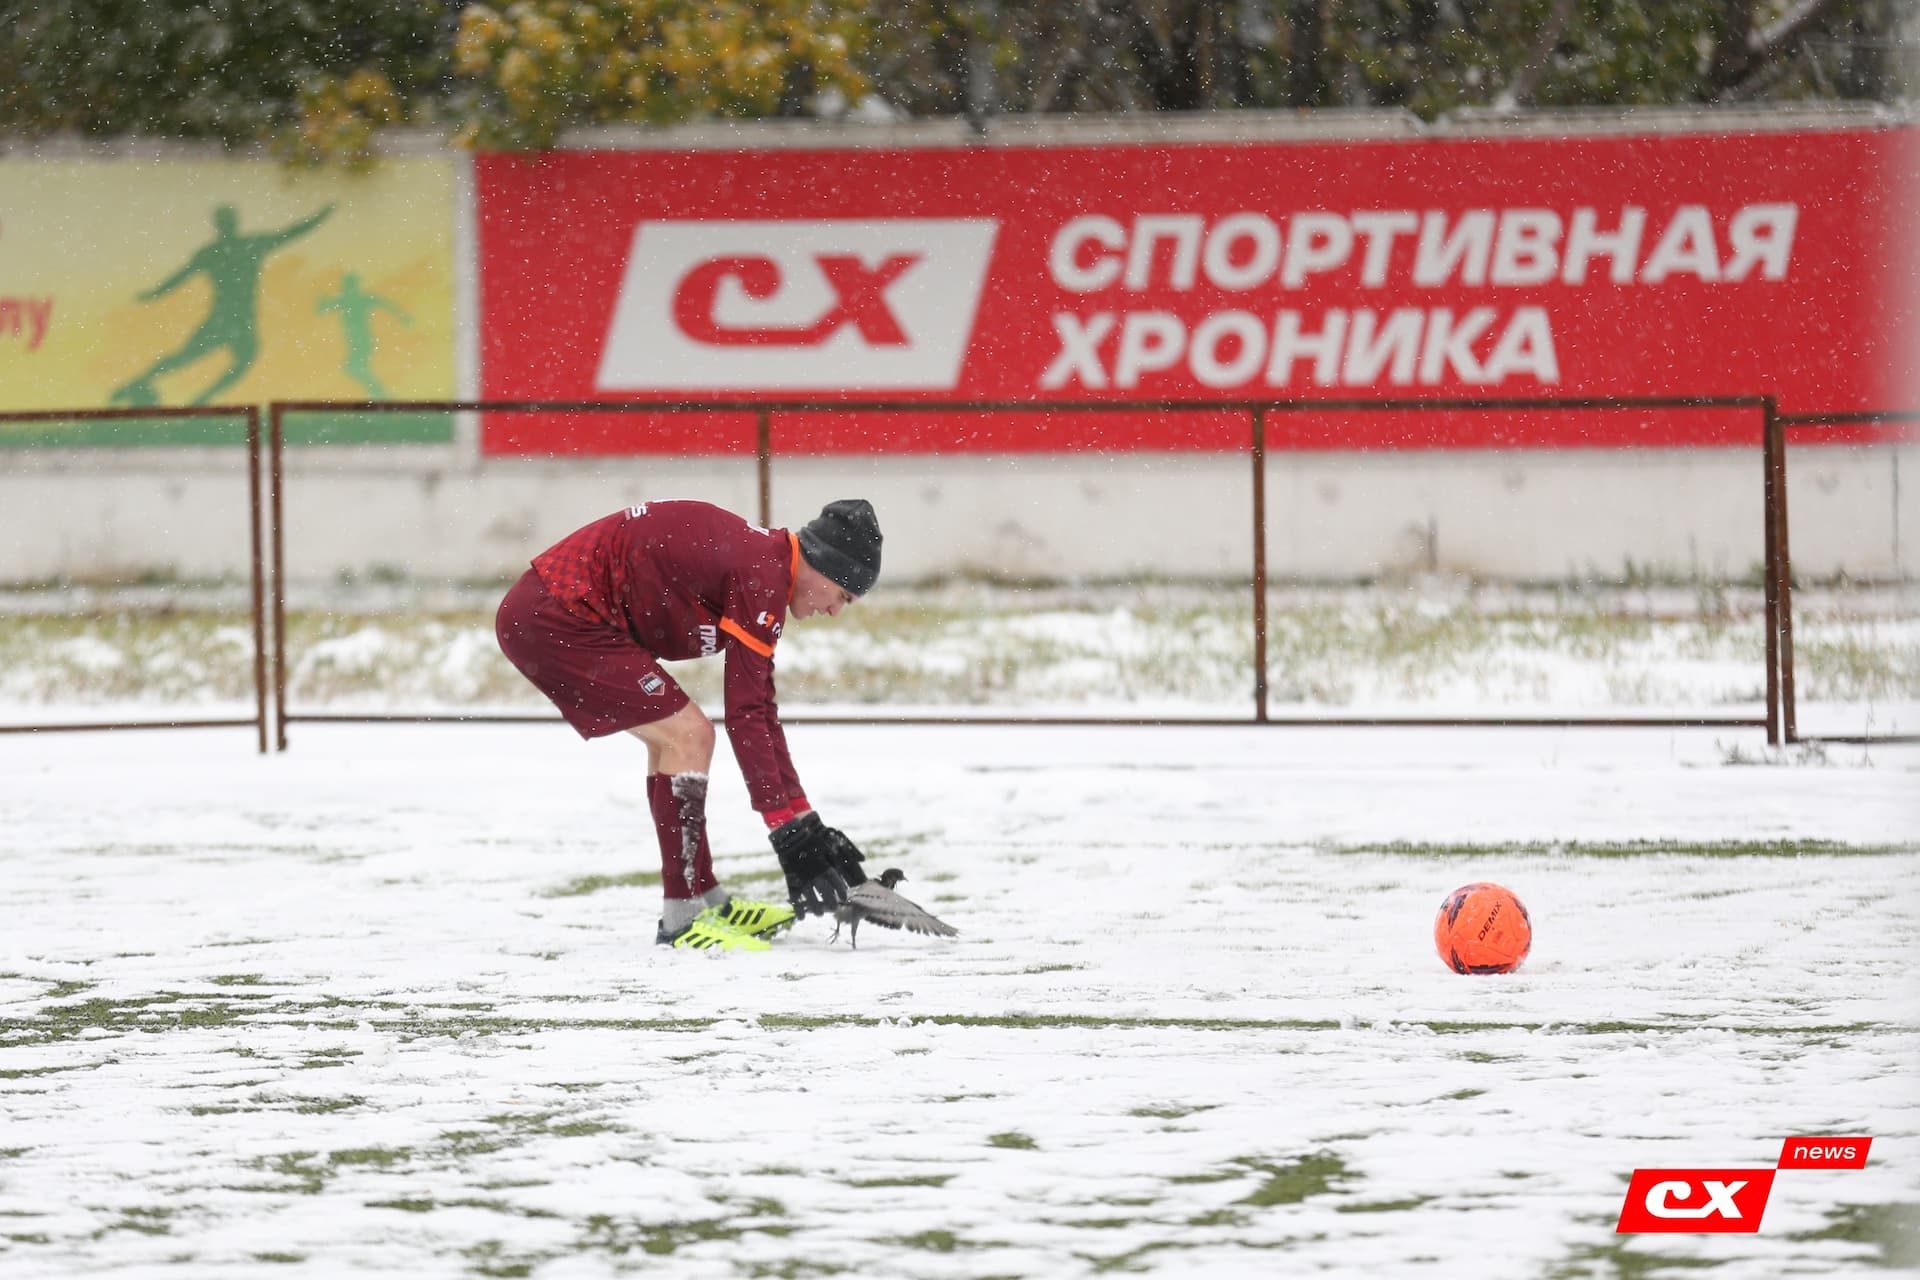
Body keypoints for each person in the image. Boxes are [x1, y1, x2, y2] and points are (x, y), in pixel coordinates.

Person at [495, 498, 882, 951]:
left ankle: (705, 898)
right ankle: (681, 918)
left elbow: (760, 707)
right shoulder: (762, 575)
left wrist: (802, 818)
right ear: (823, 567)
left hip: (555, 613)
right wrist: (785, 829)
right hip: (554, 616)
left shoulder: (767, 566)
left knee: (676, 741)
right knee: (690, 735)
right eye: (843, 595)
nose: (835, 611)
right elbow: (746, 716)